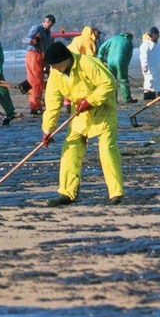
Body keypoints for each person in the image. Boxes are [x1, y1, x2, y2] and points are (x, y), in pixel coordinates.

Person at [40, 42, 124, 207]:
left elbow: (109, 83)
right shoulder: (55, 75)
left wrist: (91, 101)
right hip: (79, 115)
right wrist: (48, 130)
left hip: (103, 111)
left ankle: (116, 193)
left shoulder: (87, 63)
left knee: (107, 150)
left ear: (65, 59)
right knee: (70, 150)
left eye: (55, 64)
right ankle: (66, 193)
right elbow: (52, 103)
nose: (54, 68)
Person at [22, 14, 56, 115]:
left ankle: (38, 104)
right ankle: (34, 106)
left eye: (51, 25)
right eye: (49, 24)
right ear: (45, 21)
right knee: (34, 80)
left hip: (42, 56)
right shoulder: (37, 28)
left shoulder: (48, 33)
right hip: (34, 55)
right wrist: (33, 41)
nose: (49, 26)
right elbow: (24, 40)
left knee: (40, 81)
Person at [97, 31, 136, 103]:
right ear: (130, 37)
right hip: (120, 61)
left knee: (112, 80)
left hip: (110, 61)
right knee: (123, 79)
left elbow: (102, 47)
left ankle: (113, 99)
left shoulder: (113, 38)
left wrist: (100, 59)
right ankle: (127, 98)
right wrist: (125, 67)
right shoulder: (129, 42)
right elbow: (129, 56)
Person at [139, 26, 160, 100]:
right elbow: (143, 56)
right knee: (149, 79)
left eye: (158, 34)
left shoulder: (157, 45)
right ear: (152, 35)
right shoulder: (146, 44)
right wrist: (144, 65)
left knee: (157, 79)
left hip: (156, 65)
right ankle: (148, 95)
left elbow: (159, 55)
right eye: (156, 35)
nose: (158, 36)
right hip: (149, 66)